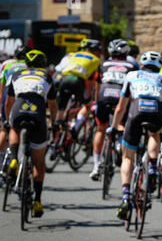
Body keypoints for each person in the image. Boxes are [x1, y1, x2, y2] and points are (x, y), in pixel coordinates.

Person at [107, 51, 162, 220]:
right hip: (156, 112)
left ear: (142, 64)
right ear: (159, 66)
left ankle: (126, 195)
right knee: (154, 135)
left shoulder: (131, 75)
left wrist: (114, 127)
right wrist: (161, 129)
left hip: (136, 110)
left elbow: (121, 107)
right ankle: (152, 166)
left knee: (127, 157)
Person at [5, 50, 58, 217]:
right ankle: (37, 201)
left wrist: (7, 120)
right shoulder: (47, 76)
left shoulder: (15, 74)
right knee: (38, 162)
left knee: (14, 128)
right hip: (38, 113)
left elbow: (8, 101)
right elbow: (53, 105)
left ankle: (13, 159)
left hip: (19, 108)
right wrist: (54, 123)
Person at [89, 39, 136, 181]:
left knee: (100, 128)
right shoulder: (131, 66)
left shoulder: (103, 64)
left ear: (110, 53)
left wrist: (96, 102)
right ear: (126, 53)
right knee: (122, 124)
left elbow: (97, 84)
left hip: (104, 97)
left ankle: (96, 166)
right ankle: (119, 145)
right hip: (120, 98)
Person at [55, 39, 102, 138]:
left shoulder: (74, 54)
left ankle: (55, 139)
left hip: (64, 79)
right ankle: (75, 128)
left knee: (61, 108)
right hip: (78, 81)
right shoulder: (96, 60)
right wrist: (91, 98)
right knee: (87, 106)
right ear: (95, 51)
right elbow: (92, 82)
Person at [0, 45, 31, 166]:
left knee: (5, 128)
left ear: (15, 56)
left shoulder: (7, 65)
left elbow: (2, 91)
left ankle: (2, 162)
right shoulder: (30, 66)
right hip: (25, 97)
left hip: (9, 95)